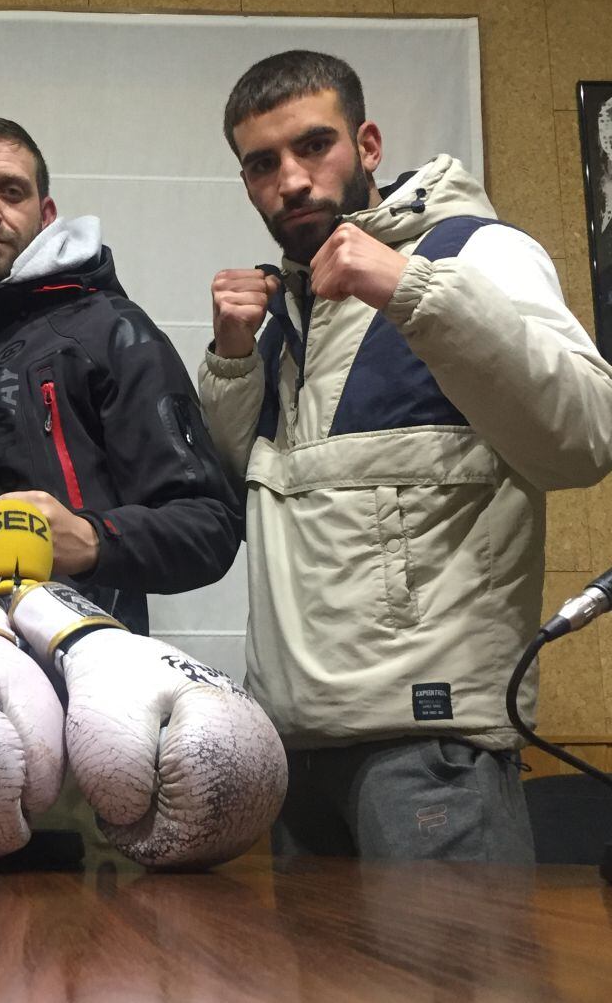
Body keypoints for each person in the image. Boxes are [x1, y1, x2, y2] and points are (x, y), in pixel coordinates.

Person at [199, 49, 612, 861]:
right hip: (295, 749)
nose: (291, 179)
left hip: (431, 746)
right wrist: (232, 361)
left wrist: (413, 289)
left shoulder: (475, 252)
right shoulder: (288, 309)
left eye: (314, 145)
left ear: (369, 145)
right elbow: (245, 496)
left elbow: (586, 436)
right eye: (262, 163)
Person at [0, 115, 241, 636]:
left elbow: (209, 525)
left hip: (85, 670)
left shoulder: (114, 335)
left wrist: (92, 540)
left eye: (10, 191)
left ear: (46, 215)